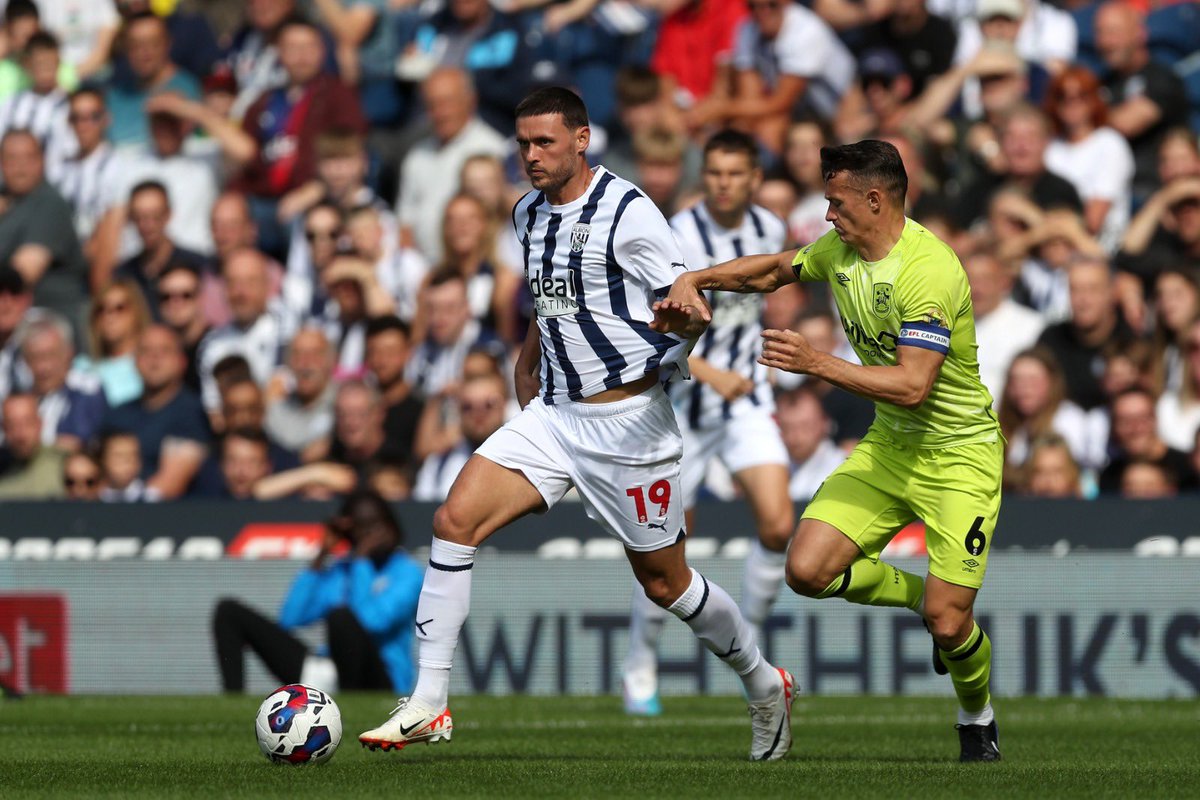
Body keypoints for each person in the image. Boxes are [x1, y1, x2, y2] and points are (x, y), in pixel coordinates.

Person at [358, 87, 794, 761]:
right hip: (555, 418)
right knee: (453, 521)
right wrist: (528, 357)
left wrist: (680, 332)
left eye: (545, 143)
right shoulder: (527, 211)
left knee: (667, 583)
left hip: (630, 429)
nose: (530, 156)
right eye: (523, 143)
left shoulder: (629, 213)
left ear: (582, 140)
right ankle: (429, 703)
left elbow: (688, 303)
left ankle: (764, 683)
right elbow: (549, 294)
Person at [660, 140, 1003, 761]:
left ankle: (976, 717)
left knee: (954, 625)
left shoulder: (928, 271)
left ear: (875, 200)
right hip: (891, 449)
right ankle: (922, 600)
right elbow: (772, 271)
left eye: (836, 202)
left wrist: (818, 362)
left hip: (959, 455)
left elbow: (912, 384)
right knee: (806, 570)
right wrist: (699, 277)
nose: (826, 215)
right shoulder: (843, 250)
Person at [622, 129, 794, 717]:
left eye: (734, 173)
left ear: (752, 178)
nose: (723, 183)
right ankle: (640, 659)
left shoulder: (770, 229)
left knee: (777, 524)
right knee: (668, 547)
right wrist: (710, 371)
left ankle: (749, 647)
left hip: (748, 403)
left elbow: (765, 303)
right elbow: (653, 320)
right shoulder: (678, 232)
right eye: (714, 172)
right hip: (684, 407)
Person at [212, 490, 424, 693]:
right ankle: (233, 701)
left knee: (341, 618)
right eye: (361, 527)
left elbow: (371, 623)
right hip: (329, 671)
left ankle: (350, 707)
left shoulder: (407, 572)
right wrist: (321, 556)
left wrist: (361, 561)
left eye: (374, 526)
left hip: (381, 678)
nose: (369, 535)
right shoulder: (341, 569)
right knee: (229, 611)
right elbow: (290, 619)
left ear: (390, 527)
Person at [99, 325, 211, 500]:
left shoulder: (192, 412)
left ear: (182, 361)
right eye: (146, 351)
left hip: (165, 519)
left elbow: (170, 485)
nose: (155, 358)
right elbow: (97, 475)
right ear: (135, 361)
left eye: (164, 351)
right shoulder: (116, 414)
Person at [21, 314, 108, 451]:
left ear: (69, 353)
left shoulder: (88, 390)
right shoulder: (21, 398)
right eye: (35, 358)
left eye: (50, 356)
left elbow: (84, 441)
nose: (43, 367)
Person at [1099, 387, 1194, 495]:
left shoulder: (1189, 469)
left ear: (1155, 419)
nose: (1135, 428)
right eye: (1125, 421)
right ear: (1113, 426)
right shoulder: (1110, 476)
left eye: (1142, 419)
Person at [775, 385, 847, 501]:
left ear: (824, 423)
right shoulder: (770, 465)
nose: (796, 436)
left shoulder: (843, 469)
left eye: (805, 427)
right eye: (787, 427)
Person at [0, 393, 65, 498]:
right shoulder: (3, 469)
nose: (20, 434)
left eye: (27, 423)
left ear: (40, 424)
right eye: (11, 425)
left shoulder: (64, 463)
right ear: (3, 428)